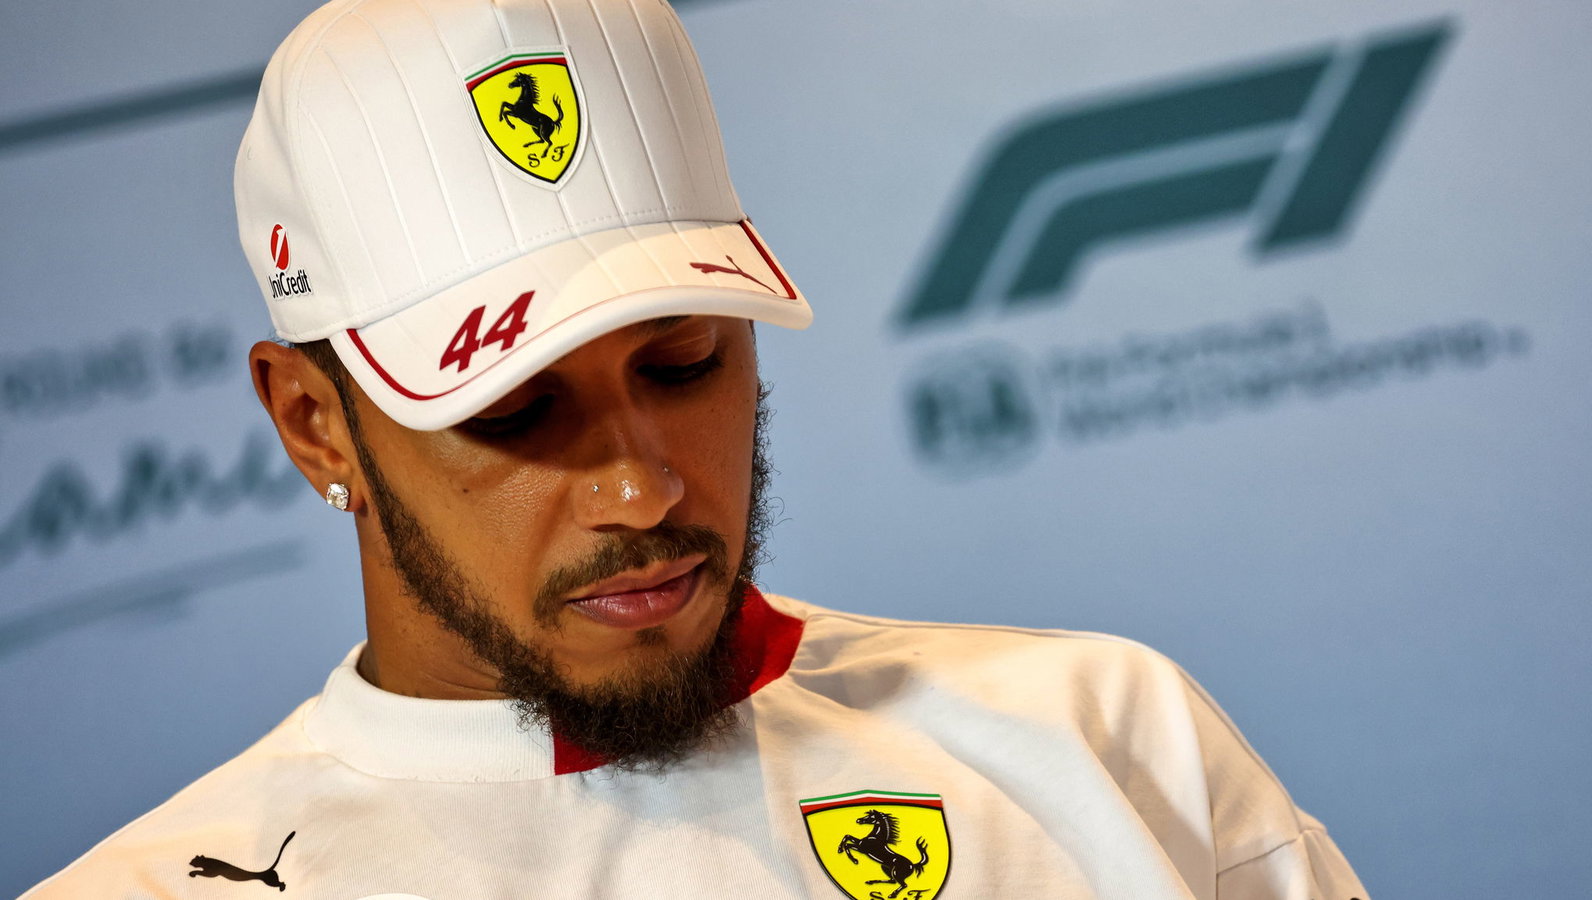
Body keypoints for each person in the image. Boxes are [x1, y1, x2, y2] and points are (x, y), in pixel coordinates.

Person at [23, 0, 1367, 897]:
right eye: (515, 409)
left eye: (683, 364)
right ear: (315, 423)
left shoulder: (1106, 738)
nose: (641, 485)